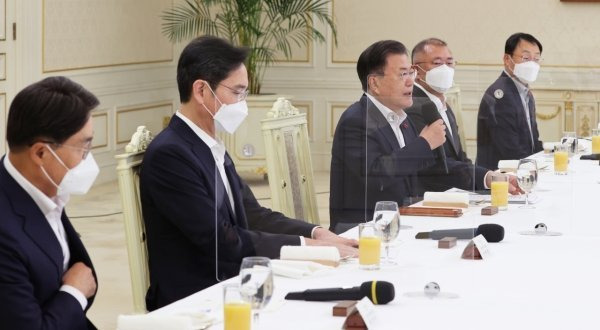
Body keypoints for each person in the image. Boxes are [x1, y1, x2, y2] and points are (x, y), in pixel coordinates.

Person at [140, 36, 357, 310]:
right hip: (197, 295)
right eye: (238, 92)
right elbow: (221, 240)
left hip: (233, 279)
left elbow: (251, 214)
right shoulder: (170, 154)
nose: (243, 102)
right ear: (201, 90)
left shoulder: (208, 143)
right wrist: (305, 246)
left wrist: (316, 233)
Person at [0, 76, 99, 329]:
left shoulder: (44, 186)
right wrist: (74, 292)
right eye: (83, 148)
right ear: (41, 153)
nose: (88, 160)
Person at [329, 40, 447, 233]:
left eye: (411, 73)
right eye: (402, 74)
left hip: (402, 223)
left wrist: (485, 178)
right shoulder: (356, 120)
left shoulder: (402, 118)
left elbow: (430, 173)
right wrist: (425, 143)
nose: (411, 81)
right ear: (374, 83)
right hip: (363, 230)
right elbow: (377, 175)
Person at [406, 38, 519, 194]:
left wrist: (492, 177)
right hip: (428, 199)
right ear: (416, 71)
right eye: (437, 63)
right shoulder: (414, 106)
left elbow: (460, 158)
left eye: (450, 63)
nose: (445, 69)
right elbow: (434, 166)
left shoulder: (442, 103)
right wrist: (487, 178)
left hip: (456, 193)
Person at [477, 33, 544, 170]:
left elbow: (533, 142)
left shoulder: (525, 92)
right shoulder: (500, 96)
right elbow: (510, 150)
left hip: (522, 169)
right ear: (507, 59)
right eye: (526, 58)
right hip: (500, 178)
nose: (532, 64)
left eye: (536, 59)